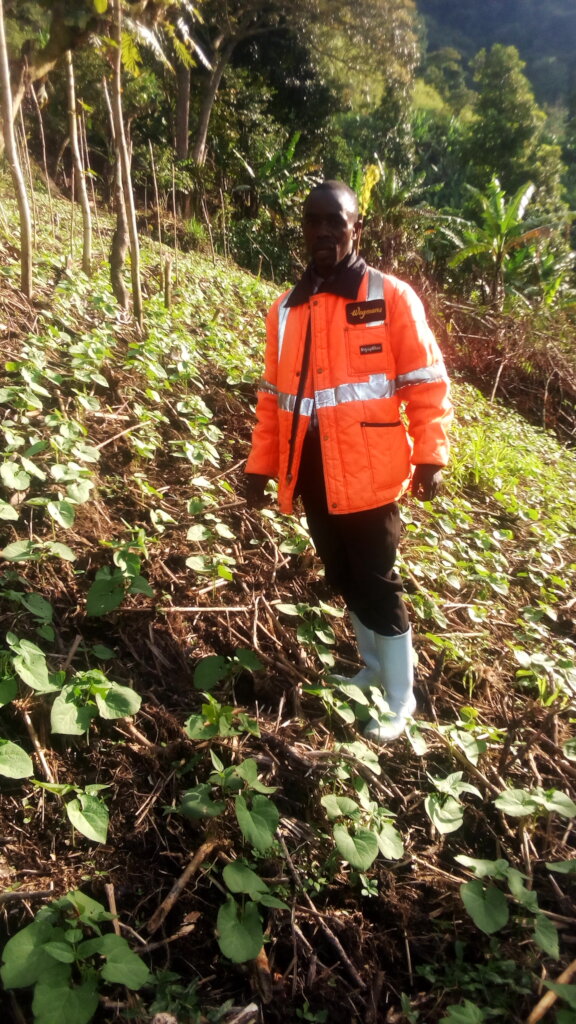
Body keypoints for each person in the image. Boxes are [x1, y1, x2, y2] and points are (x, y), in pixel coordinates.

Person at [244, 180, 452, 744]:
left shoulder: (391, 297)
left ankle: (401, 696)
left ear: (356, 228)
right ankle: (375, 669)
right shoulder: (285, 310)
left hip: (372, 475)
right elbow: (273, 398)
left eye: (336, 222)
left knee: (379, 583)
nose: (323, 233)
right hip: (311, 475)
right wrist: (260, 466)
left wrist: (431, 454)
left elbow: (426, 383)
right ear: (303, 229)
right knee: (344, 578)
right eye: (314, 222)